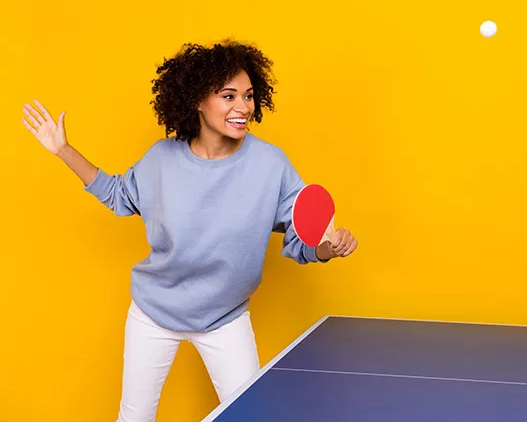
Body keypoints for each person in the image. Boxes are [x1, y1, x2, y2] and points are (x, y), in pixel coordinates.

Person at [21, 39, 359, 422]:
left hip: (224, 317)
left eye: (248, 96)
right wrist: (63, 149)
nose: (243, 107)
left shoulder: (271, 164)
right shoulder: (161, 159)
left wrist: (328, 248)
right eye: (229, 96)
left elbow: (301, 238)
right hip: (154, 313)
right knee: (134, 416)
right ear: (198, 101)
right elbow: (119, 195)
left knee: (250, 414)